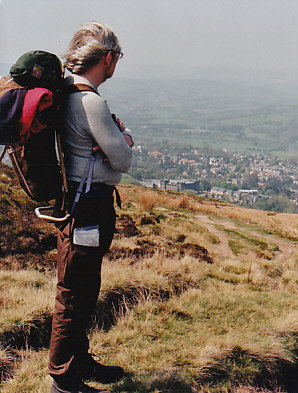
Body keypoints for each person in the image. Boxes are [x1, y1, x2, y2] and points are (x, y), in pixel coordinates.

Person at [48, 22, 133, 393]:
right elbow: (123, 159)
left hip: (76, 203)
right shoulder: (92, 101)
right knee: (75, 290)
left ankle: (78, 362)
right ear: (109, 58)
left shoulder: (67, 92)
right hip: (89, 206)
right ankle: (62, 379)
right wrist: (124, 137)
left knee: (83, 285)